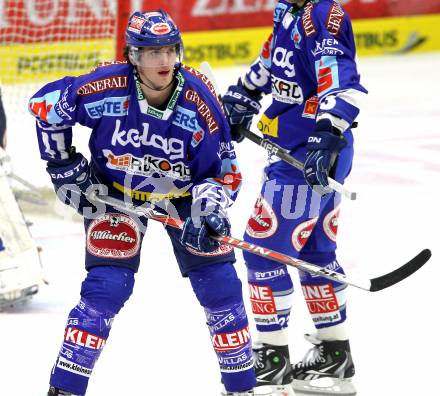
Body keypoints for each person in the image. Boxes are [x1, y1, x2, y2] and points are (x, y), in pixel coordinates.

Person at [29, 10, 256, 396]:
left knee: (221, 287)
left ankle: (241, 388)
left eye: (170, 50)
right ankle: (65, 389)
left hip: (184, 198)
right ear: (133, 56)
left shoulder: (199, 101)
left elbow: (224, 172)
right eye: (153, 53)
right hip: (115, 195)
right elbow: (45, 106)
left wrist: (209, 212)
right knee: (105, 288)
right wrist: (62, 164)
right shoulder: (104, 86)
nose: (164, 61)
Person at [222, 0, 367, 395]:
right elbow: (272, 62)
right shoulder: (288, 11)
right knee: (315, 255)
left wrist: (327, 132)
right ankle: (336, 361)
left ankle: (271, 361)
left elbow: (342, 81)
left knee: (262, 252)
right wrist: (242, 97)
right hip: (309, 152)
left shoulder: (323, 15)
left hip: (307, 156)